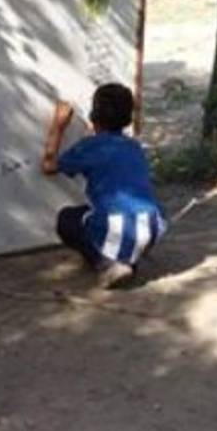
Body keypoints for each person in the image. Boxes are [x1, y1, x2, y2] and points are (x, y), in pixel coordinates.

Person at [40, 83, 167, 289]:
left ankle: (107, 263)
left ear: (93, 115)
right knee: (107, 214)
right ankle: (125, 258)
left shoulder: (88, 147)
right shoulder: (133, 146)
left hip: (119, 227)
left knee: (67, 219)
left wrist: (58, 125)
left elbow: (48, 166)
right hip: (152, 226)